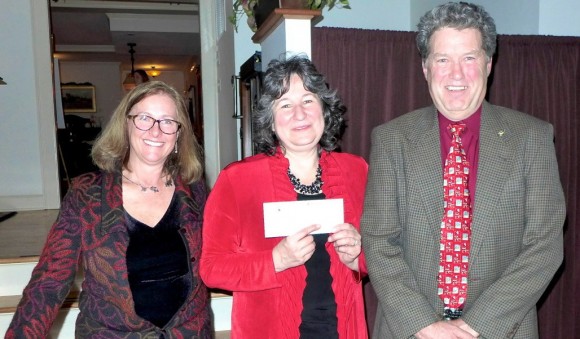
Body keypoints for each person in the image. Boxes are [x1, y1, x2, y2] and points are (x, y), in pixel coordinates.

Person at [361, 2, 566, 339]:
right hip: (410, 330)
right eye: (443, 60)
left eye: (469, 58)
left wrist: (475, 326)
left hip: (503, 329)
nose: (456, 75)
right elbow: (379, 240)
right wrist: (426, 325)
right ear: (425, 68)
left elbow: (544, 246)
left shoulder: (532, 137)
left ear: (488, 64)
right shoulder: (391, 139)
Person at [7, 81, 213, 338]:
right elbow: (49, 281)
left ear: (179, 134)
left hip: (190, 332)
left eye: (168, 121)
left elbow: (224, 256)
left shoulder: (196, 191)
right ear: (126, 125)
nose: (156, 130)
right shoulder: (87, 194)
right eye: (144, 118)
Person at [200, 56, 369, 338]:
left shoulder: (356, 171)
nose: (299, 114)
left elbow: (382, 253)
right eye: (286, 105)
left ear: (324, 110)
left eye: (308, 100)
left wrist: (358, 258)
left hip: (344, 330)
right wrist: (275, 260)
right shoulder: (238, 180)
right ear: (271, 119)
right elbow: (211, 269)